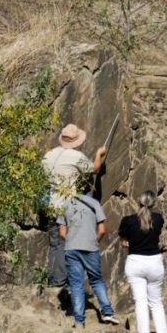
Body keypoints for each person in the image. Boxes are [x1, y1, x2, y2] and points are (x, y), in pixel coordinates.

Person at [42, 123, 107, 287]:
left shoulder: (48, 155)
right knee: (69, 243)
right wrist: (99, 154)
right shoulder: (76, 156)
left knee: (55, 243)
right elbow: (95, 169)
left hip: (49, 204)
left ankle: (56, 278)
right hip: (67, 206)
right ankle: (67, 280)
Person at [57, 194, 120, 328]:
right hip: (90, 248)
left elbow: (62, 233)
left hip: (71, 248)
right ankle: (107, 312)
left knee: (76, 284)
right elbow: (102, 230)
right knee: (96, 280)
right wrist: (93, 241)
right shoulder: (94, 203)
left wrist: (72, 240)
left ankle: (79, 321)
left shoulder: (65, 204)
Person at [118, 191, 167, 333]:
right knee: (156, 302)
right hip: (154, 262)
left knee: (140, 301)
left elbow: (124, 236)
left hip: (135, 262)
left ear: (138, 201)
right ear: (153, 203)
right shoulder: (158, 219)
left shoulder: (128, 220)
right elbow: (155, 232)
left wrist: (125, 239)